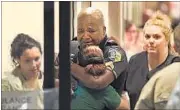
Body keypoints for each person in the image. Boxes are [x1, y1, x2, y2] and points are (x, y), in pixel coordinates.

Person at [70, 7, 129, 109]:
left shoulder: (115, 52)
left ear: (103, 30)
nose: (85, 36)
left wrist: (68, 66)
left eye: (91, 30)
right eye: (80, 31)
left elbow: (97, 82)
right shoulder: (71, 47)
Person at [125, 11, 179, 110]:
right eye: (147, 36)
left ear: (166, 40)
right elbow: (123, 93)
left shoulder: (174, 64)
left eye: (156, 37)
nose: (151, 41)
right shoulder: (135, 61)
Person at [71, 45, 123, 110]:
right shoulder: (105, 90)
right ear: (103, 62)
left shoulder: (69, 80)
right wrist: (124, 96)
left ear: (79, 62)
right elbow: (125, 107)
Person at [1, 33, 43, 109]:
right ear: (18, 60)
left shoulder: (43, 79)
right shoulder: (7, 85)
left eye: (37, 59)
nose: (33, 65)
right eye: (27, 61)